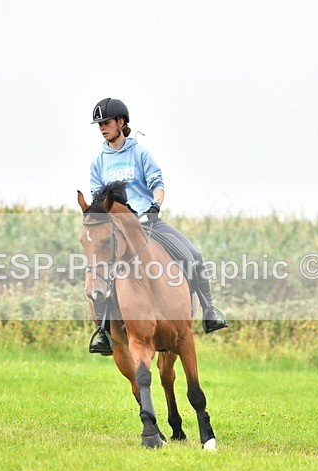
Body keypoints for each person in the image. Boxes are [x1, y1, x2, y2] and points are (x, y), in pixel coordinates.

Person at [87, 97, 228, 355]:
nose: (102, 128)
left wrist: (155, 205)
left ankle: (209, 310)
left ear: (121, 123)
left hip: (148, 223)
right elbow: (98, 202)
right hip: (118, 233)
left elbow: (157, 184)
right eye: (99, 124)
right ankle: (103, 331)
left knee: (194, 255)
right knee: (99, 273)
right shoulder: (98, 162)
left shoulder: (140, 153)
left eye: (106, 122)